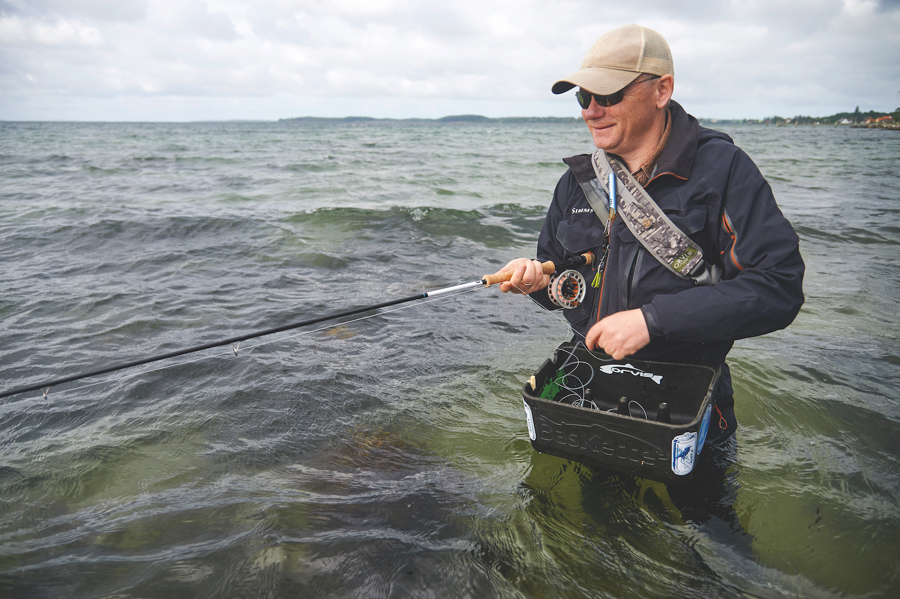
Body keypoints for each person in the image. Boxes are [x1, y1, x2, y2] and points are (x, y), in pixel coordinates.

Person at [495, 23, 804, 445]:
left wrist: (652, 322)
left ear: (662, 91)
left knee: (701, 512)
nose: (590, 111)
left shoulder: (724, 170)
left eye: (607, 96)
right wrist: (538, 280)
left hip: (687, 401)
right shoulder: (576, 181)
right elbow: (564, 288)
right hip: (589, 389)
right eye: (584, 97)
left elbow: (778, 287)